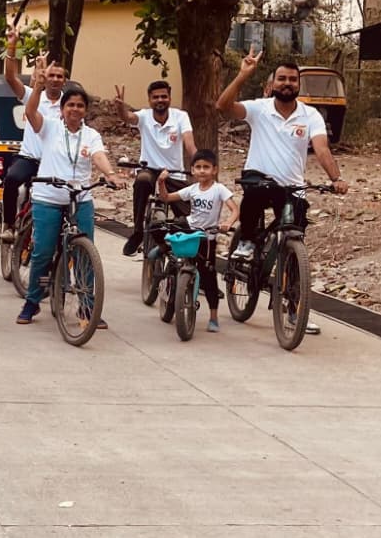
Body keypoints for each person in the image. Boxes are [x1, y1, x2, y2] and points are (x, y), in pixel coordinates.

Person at [216, 47, 349, 335]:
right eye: (282, 79)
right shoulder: (259, 108)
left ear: (298, 84)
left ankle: (294, 311)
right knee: (254, 192)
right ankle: (247, 242)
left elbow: (321, 149)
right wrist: (242, 75)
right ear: (272, 83)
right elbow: (223, 106)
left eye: (292, 79)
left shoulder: (310, 115)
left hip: (291, 187)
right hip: (259, 179)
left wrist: (336, 178)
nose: (287, 83)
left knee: (295, 240)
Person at [17, 59, 122, 327]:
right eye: (70, 105)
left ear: (85, 110)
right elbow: (31, 113)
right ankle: (32, 302)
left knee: (85, 254)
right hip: (48, 198)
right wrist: (38, 88)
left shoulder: (91, 135)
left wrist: (110, 174)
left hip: (80, 199)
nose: (75, 109)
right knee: (42, 251)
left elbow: (98, 156)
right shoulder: (51, 126)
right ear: (62, 109)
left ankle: (87, 308)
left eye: (80, 105)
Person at [156, 150, 238, 333]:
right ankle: (163, 250)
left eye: (206, 167)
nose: (202, 171)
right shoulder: (192, 189)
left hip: (207, 237)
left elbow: (234, 209)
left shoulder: (219, 189)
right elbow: (166, 198)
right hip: (190, 230)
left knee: (208, 277)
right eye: (198, 167)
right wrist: (161, 182)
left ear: (214, 170)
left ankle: (213, 317)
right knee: (160, 227)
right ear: (192, 170)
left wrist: (228, 223)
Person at [114, 79, 196, 256]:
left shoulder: (181, 117)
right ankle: (137, 231)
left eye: (164, 96)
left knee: (188, 219)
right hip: (149, 170)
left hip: (174, 174)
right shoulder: (144, 116)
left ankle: (180, 252)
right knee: (142, 180)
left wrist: (197, 163)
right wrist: (120, 107)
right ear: (149, 100)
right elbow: (128, 117)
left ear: (170, 98)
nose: (160, 100)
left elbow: (189, 143)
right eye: (156, 97)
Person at [1, 25, 66, 242]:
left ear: (64, 81)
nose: (54, 79)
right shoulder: (32, 95)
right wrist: (12, 46)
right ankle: (9, 224)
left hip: (55, 161)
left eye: (59, 76)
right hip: (29, 158)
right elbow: (10, 77)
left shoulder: (70, 104)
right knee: (12, 179)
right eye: (51, 75)